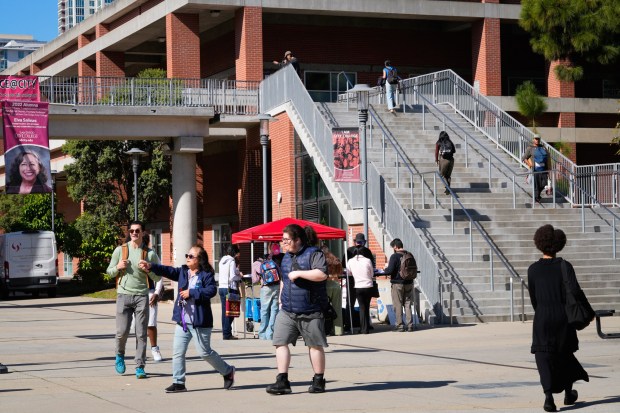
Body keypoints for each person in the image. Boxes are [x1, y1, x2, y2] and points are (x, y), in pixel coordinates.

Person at [138, 245, 236, 393]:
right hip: (183, 321)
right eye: (187, 255)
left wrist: (192, 292)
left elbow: (211, 291)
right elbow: (167, 270)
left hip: (200, 322)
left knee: (204, 352)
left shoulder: (206, 274)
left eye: (191, 256)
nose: (188, 258)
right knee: (178, 352)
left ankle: (228, 371)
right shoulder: (183, 272)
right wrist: (151, 266)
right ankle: (178, 383)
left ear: (199, 259)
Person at [528, 224, 592, 412]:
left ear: (539, 243)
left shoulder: (533, 270)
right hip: (563, 316)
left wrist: (541, 311)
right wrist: (588, 311)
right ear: (559, 245)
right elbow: (575, 291)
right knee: (564, 353)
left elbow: (534, 298)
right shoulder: (565, 266)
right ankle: (568, 393)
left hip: (542, 316)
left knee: (544, 356)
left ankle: (548, 397)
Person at [266, 224, 329, 395]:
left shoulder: (314, 253)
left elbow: (321, 274)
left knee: (314, 345)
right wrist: (280, 298)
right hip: (287, 309)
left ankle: (318, 380)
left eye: (286, 240)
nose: (283, 243)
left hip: (310, 309)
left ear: (298, 240)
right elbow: (284, 280)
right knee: (279, 341)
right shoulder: (286, 257)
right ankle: (282, 380)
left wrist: (300, 273)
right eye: (283, 239)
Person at [106, 220, 161, 379]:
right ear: (128, 233)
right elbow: (109, 272)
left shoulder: (149, 254)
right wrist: (118, 267)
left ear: (143, 232)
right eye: (131, 231)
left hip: (141, 296)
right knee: (122, 331)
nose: (134, 233)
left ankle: (140, 366)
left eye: (137, 231)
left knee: (141, 333)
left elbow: (158, 277)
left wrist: (148, 270)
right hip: (123, 295)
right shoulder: (120, 251)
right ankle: (119, 355)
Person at [383, 238, 414, 332]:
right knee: (408, 304)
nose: (393, 248)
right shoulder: (409, 254)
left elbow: (390, 270)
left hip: (397, 283)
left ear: (396, 247)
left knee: (398, 304)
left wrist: (385, 269)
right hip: (409, 282)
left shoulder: (394, 256)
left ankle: (400, 326)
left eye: (393, 247)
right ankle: (410, 325)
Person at [346, 247, 374, 334]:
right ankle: (366, 327)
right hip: (368, 286)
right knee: (367, 306)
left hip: (358, 286)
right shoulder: (368, 260)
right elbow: (372, 273)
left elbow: (348, 273)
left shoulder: (350, 261)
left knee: (362, 307)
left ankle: (363, 329)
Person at [218, 244, 242, 340]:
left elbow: (227, 273)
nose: (237, 255)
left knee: (224, 311)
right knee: (231, 312)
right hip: (230, 288)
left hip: (221, 287)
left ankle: (225, 332)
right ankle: (227, 334)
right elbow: (232, 276)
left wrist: (236, 272)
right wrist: (239, 277)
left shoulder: (222, 261)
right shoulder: (232, 261)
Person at [257, 243, 281, 341]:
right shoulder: (280, 259)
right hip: (276, 286)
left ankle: (262, 333)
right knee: (274, 310)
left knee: (264, 310)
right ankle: (270, 333)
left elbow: (261, 274)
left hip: (266, 287)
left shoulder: (264, 261)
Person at [321, 245, 343, 336]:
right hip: (336, 284)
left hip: (325, 285)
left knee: (323, 308)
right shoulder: (335, 259)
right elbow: (340, 272)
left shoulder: (321, 260)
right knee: (337, 308)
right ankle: (338, 330)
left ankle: (325, 329)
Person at [522, 134, 549, 203]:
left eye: (538, 139)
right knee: (536, 184)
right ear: (533, 139)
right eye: (536, 139)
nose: (537, 140)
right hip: (535, 170)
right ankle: (537, 197)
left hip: (544, 169)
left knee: (544, 183)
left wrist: (549, 167)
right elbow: (524, 158)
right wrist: (530, 164)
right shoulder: (530, 148)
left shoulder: (543, 147)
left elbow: (548, 156)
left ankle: (537, 196)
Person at [435, 131, 456, 195]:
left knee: (442, 175)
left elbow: (436, 152)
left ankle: (447, 187)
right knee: (448, 175)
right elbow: (454, 151)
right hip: (451, 160)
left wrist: (436, 160)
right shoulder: (450, 142)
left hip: (444, 160)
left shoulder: (439, 142)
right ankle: (448, 188)